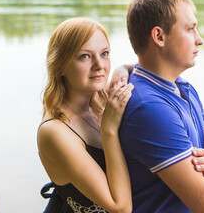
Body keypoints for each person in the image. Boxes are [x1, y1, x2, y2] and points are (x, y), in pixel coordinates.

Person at [119, 0, 204, 212]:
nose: (200, 39)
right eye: (190, 29)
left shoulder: (182, 87)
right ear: (159, 36)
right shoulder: (149, 108)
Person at [37, 17, 134, 213]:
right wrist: (109, 131)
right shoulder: (55, 131)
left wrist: (121, 69)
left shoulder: (98, 98)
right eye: (85, 56)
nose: (100, 65)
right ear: (61, 65)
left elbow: (144, 69)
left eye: (105, 53)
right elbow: (120, 208)